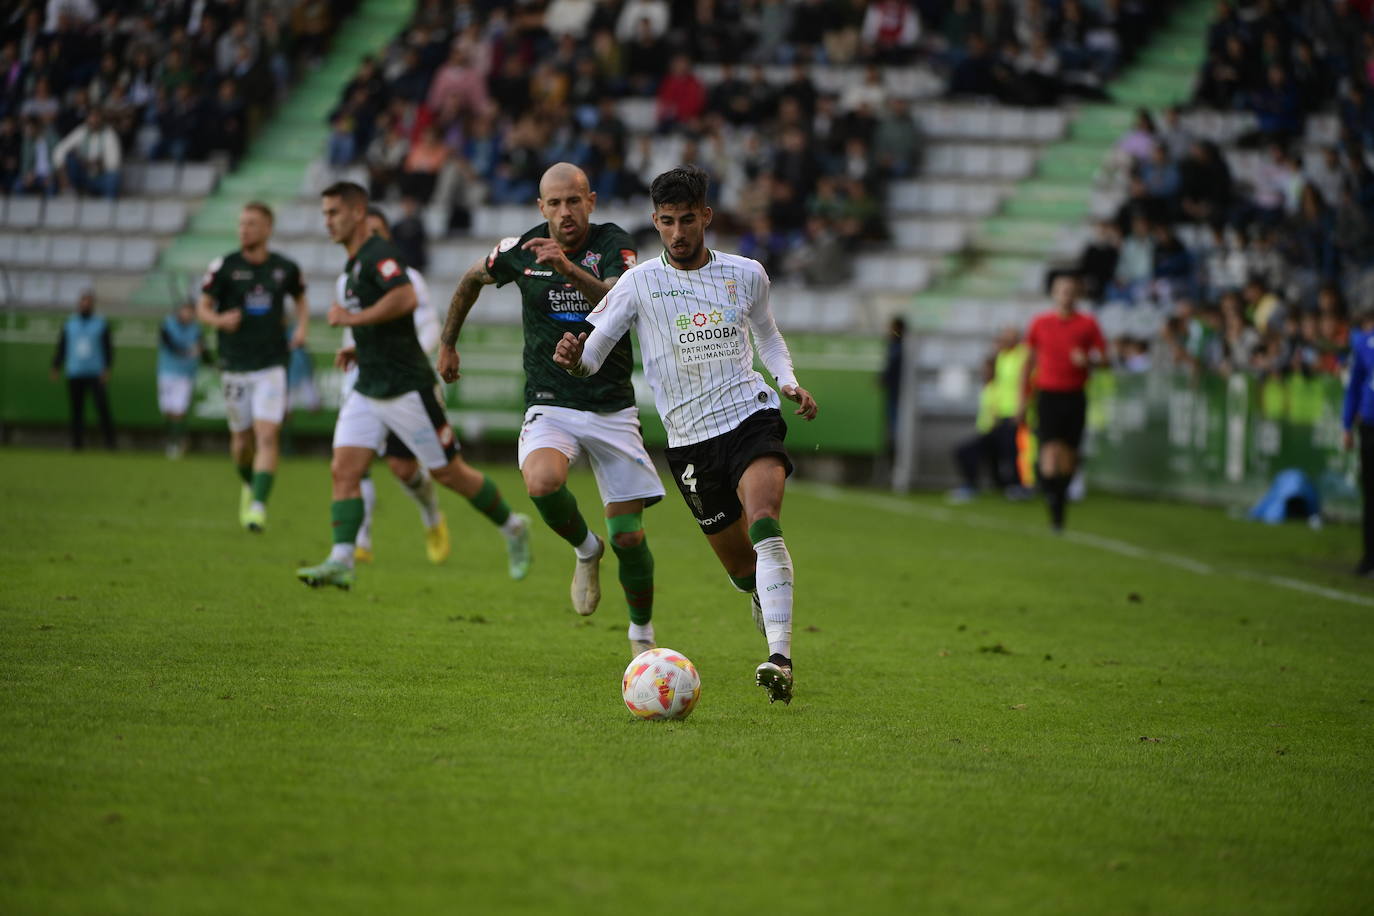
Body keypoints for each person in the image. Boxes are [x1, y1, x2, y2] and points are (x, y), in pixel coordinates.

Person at [553, 165, 819, 705]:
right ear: (656, 221)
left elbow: (768, 337)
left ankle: (780, 659)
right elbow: (593, 355)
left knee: (765, 523)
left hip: (750, 417)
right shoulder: (637, 283)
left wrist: (787, 381)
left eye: (688, 220)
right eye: (668, 221)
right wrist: (574, 358)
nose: (678, 233)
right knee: (741, 568)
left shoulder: (746, 274)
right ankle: (760, 594)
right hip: (690, 443)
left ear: (706, 216)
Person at [437, 162, 665, 657]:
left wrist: (567, 269)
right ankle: (586, 548)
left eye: (574, 201)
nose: (565, 212)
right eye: (555, 203)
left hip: (611, 406)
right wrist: (448, 343)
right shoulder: (521, 250)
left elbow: (619, 300)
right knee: (541, 482)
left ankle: (642, 637)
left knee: (628, 537)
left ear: (591, 201)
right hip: (551, 401)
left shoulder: (614, 244)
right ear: (541, 207)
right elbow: (471, 279)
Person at [296, 182, 531, 590]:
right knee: (344, 470)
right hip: (368, 387)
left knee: (450, 474)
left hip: (406, 388)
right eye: (324, 214)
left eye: (334, 212)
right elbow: (383, 321)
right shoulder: (352, 268)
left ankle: (513, 527)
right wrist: (357, 345)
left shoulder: (379, 255)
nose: (327, 221)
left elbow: (403, 298)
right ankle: (341, 560)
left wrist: (352, 321)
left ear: (357, 212)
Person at [343, 207, 451, 566]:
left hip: (402, 383)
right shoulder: (348, 277)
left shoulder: (408, 278)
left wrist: (403, 356)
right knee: (353, 463)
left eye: (377, 232)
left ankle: (431, 516)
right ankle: (359, 540)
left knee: (404, 470)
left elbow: (430, 327)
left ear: (387, 237)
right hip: (362, 382)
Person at [196, 202, 310, 533]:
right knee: (242, 443)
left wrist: (301, 327)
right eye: (242, 223)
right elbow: (203, 307)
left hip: (272, 364)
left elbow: (301, 298)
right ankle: (249, 484)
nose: (244, 229)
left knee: (267, 434)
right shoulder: (224, 266)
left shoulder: (285, 268)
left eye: (252, 224)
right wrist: (219, 320)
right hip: (234, 364)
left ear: (268, 229)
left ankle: (258, 506)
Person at [1018, 271, 1107, 532]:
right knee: (1049, 451)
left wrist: (1088, 360)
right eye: (1061, 290)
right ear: (1054, 293)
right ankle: (1054, 505)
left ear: (1077, 294)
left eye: (1071, 290)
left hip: (1075, 394)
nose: (1066, 295)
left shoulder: (1088, 324)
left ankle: (1059, 502)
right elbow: (1028, 362)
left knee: (1069, 456)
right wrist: (1023, 398)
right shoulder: (1040, 323)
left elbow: (1105, 359)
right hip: (1047, 394)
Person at [49, 289, 115, 450]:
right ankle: (77, 443)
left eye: (88, 302)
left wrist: (107, 368)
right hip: (75, 372)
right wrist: (56, 365)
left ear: (92, 305)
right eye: (83, 302)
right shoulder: (70, 324)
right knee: (76, 409)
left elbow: (108, 348)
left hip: (95, 373)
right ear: (79, 304)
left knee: (102, 407)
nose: (85, 305)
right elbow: (62, 347)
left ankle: (110, 442)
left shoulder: (101, 323)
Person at [1342, 308, 1374, 576]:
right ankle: (1369, 557)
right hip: (1369, 426)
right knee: (1371, 492)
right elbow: (1354, 385)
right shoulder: (1364, 344)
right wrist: (1346, 424)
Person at [157, 301, 203, 458]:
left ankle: (180, 442)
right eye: (185, 311)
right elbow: (168, 344)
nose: (187, 314)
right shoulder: (167, 324)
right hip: (167, 372)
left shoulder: (196, 329)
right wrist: (187, 352)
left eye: (190, 312)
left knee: (180, 409)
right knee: (168, 409)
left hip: (185, 375)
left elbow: (202, 348)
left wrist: (210, 362)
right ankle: (170, 441)